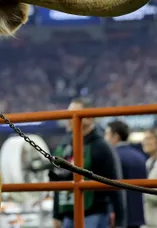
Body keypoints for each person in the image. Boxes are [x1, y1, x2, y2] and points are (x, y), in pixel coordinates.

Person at [51, 98, 126, 228]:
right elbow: (59, 183)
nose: (69, 118)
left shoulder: (101, 146)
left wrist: (120, 222)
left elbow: (115, 184)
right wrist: (56, 215)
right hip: (69, 214)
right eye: (68, 113)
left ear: (90, 118)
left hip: (94, 213)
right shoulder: (65, 145)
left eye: (74, 113)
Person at [104, 120, 146, 228]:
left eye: (107, 134)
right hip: (138, 215)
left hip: (118, 216)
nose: (105, 138)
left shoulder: (112, 157)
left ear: (116, 136)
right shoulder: (140, 157)